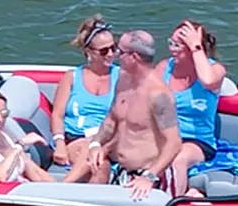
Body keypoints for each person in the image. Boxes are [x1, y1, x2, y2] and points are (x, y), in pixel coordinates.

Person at [71, 29, 180, 193]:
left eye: (120, 51)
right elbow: (112, 119)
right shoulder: (123, 80)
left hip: (149, 177)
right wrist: (96, 144)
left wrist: (150, 177)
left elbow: (174, 143)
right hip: (123, 172)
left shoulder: (158, 95)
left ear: (133, 57)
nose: (115, 55)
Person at [161, 20, 238, 196]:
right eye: (171, 43)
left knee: (177, 158)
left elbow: (208, 81)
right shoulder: (165, 67)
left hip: (195, 141)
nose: (172, 49)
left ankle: (171, 204)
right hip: (166, 135)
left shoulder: (215, 70)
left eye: (178, 45)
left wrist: (196, 48)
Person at [48, 15, 118, 174]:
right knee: (100, 166)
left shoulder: (122, 77)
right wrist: (59, 144)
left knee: (100, 163)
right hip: (76, 138)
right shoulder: (72, 77)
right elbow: (57, 114)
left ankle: (64, 184)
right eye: (104, 51)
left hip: (106, 140)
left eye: (113, 48)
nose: (110, 54)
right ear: (89, 52)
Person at [0, 89, 55, 183]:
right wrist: (20, 145)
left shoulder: (5, 136)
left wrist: (58, 187)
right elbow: (0, 177)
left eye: (4, 114)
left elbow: (35, 172)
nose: (0, 119)